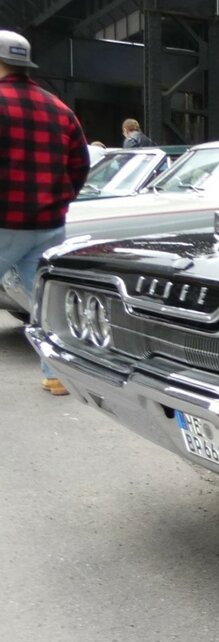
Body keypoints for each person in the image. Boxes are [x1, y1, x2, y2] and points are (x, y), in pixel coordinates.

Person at [0, 30, 89, 396]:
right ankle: (56, 376)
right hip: (48, 225)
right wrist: (58, 201)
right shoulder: (59, 108)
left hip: (3, 222)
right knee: (46, 304)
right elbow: (80, 165)